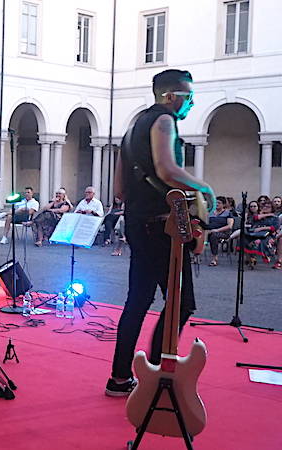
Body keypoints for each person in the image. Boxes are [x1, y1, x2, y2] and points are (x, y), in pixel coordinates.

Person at [106, 69, 216, 397]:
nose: (192, 104)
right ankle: (155, 372)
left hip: (139, 225)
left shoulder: (130, 130)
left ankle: (121, 378)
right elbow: (167, 169)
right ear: (170, 97)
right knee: (182, 304)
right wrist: (203, 187)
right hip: (162, 227)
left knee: (137, 301)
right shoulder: (165, 122)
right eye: (189, 97)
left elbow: (120, 190)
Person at [205, 196, 234, 267]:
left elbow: (229, 226)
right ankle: (196, 257)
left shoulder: (228, 213)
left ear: (223, 204)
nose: (217, 204)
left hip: (224, 233)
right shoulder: (210, 213)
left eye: (219, 203)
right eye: (215, 203)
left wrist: (217, 230)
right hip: (210, 232)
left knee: (214, 235)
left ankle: (214, 259)